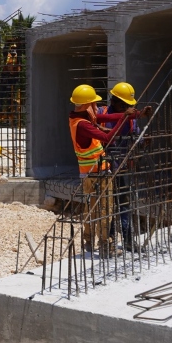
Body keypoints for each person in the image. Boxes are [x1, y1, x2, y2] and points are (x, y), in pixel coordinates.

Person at [68, 84, 134, 256]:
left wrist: (133, 114)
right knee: (105, 209)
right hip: (99, 171)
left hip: (88, 171)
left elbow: (108, 117)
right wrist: (123, 119)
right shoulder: (83, 124)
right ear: (86, 106)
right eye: (94, 105)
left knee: (90, 209)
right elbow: (107, 137)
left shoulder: (77, 119)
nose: (97, 108)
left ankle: (88, 243)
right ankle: (106, 247)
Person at [96, 82, 152, 252]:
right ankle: (109, 241)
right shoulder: (102, 113)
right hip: (104, 169)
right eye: (126, 105)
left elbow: (136, 138)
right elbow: (95, 129)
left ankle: (128, 240)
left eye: (130, 106)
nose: (129, 108)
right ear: (116, 102)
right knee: (108, 206)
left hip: (123, 167)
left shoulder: (131, 120)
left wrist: (143, 142)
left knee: (125, 205)